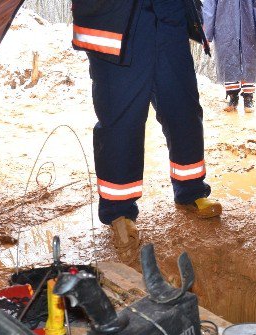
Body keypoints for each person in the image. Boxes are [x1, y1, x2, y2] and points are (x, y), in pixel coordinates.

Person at [72, 0, 222, 262]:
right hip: (115, 20)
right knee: (121, 120)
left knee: (183, 107)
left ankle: (191, 190)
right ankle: (119, 211)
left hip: (169, 15)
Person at [203, 0, 256, 113]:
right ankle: (232, 96)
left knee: (249, 58)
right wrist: (206, 33)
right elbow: (209, 5)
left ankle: (248, 97)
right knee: (227, 57)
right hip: (224, 22)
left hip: (249, 22)